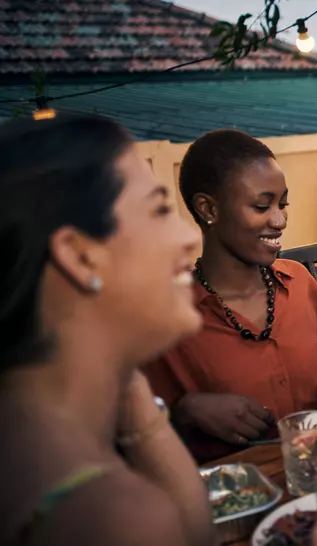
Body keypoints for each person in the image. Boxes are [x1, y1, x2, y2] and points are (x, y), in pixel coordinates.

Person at [0, 114, 213, 545]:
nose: (190, 238)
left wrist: (119, 367)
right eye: (158, 210)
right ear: (79, 258)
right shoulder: (111, 517)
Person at [144, 130, 317, 462]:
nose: (279, 220)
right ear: (208, 209)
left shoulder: (300, 283)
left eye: (283, 204)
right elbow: (137, 437)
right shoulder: (169, 316)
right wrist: (184, 412)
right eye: (262, 205)